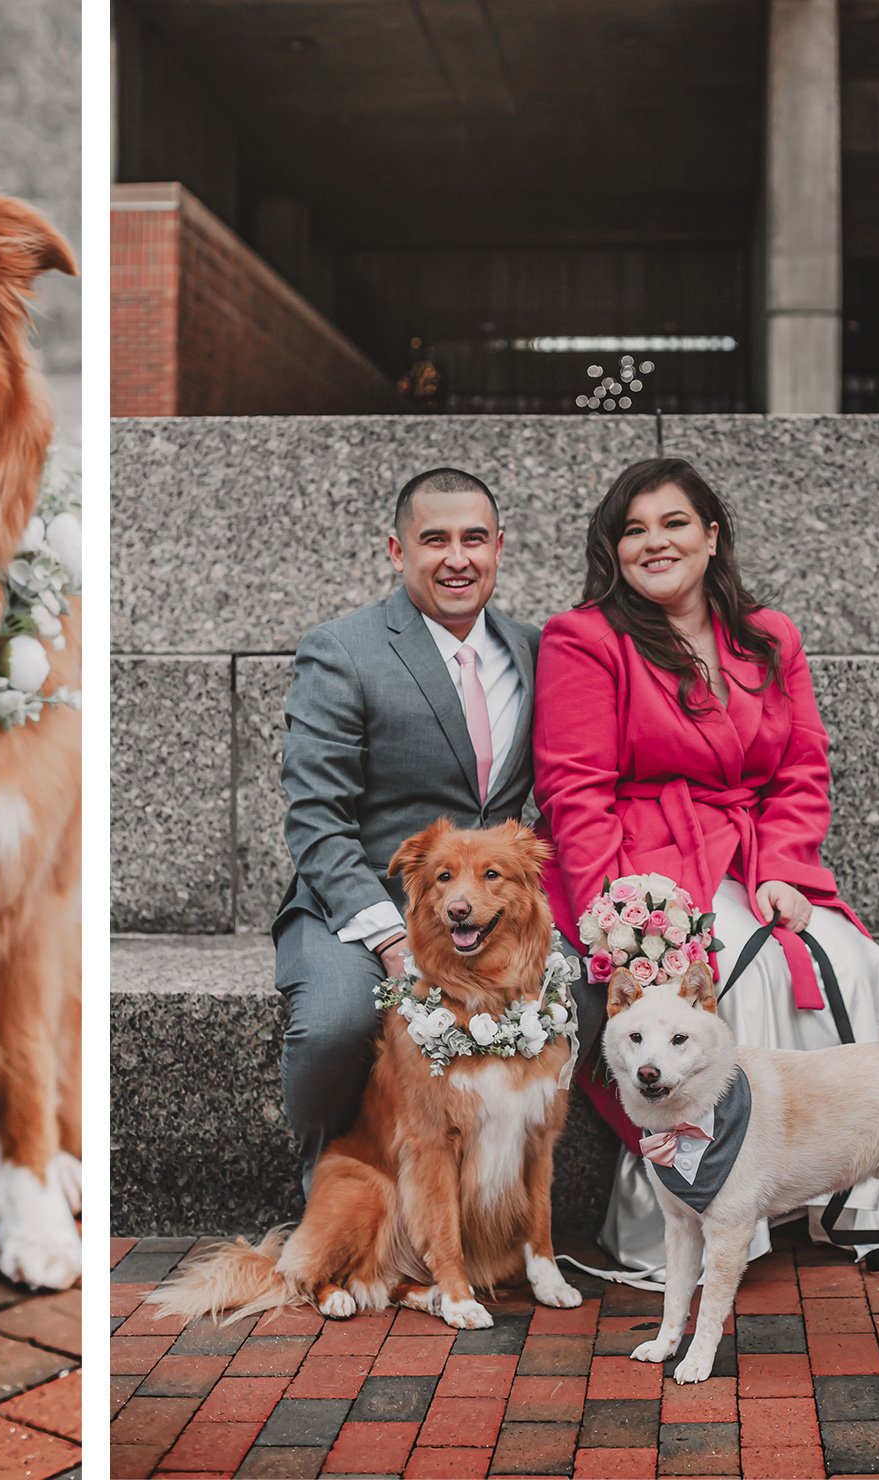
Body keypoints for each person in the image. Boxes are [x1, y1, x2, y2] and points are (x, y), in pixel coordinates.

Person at [534, 456, 879, 1274]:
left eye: (673, 523)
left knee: (849, 964)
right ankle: (713, 1208)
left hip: (753, 852)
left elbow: (802, 767)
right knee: (726, 977)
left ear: (712, 536)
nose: (654, 542)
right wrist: (625, 925)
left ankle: (847, 1192)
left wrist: (783, 863)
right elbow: (574, 792)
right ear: (614, 550)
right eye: (633, 530)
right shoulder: (586, 639)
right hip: (645, 863)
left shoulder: (768, 635)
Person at [275, 468, 540, 1190]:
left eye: (474, 540)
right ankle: (334, 1180)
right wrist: (394, 941)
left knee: (587, 997)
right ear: (398, 550)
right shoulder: (343, 649)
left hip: (492, 909)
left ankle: (527, 1205)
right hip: (362, 904)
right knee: (333, 1022)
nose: (457, 558)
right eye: (435, 540)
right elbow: (316, 815)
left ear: (499, 548)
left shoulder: (536, 651)